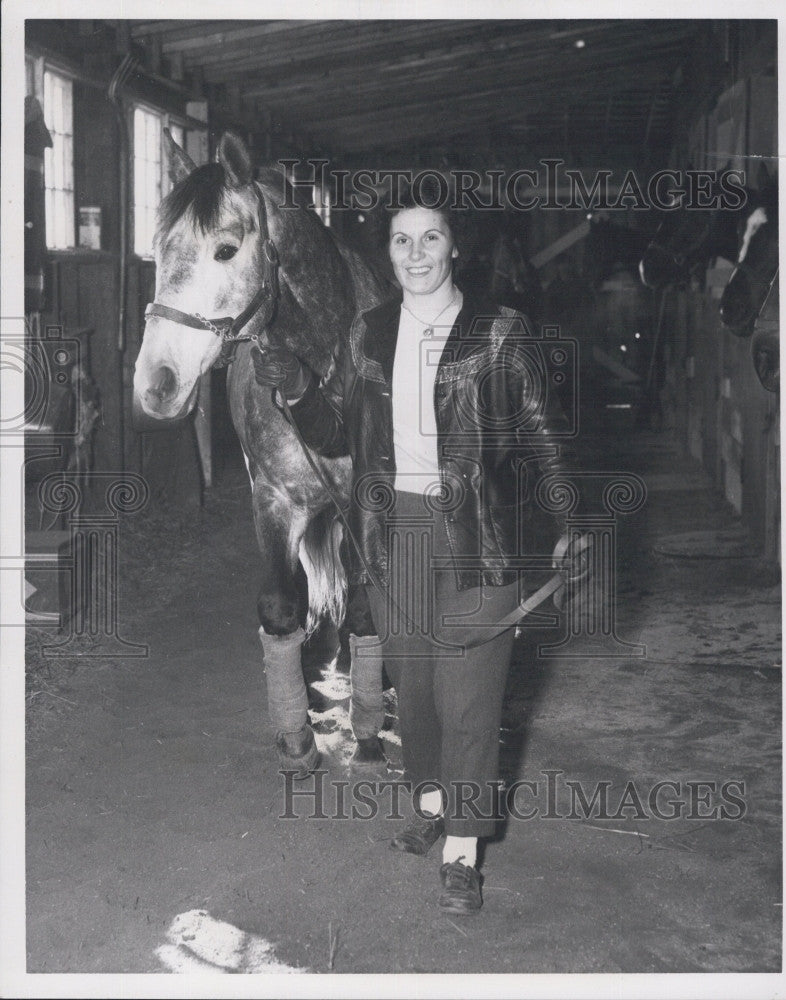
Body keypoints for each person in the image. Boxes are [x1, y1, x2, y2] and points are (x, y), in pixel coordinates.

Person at [252, 179, 575, 915]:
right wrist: (300, 389)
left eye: (431, 236)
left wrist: (568, 522)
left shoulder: (499, 331)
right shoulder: (368, 334)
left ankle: (463, 851)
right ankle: (431, 803)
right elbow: (341, 438)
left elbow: (541, 435)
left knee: (469, 695)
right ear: (387, 252)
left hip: (480, 535)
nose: (416, 252)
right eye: (402, 239)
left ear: (455, 244)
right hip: (390, 530)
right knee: (418, 688)